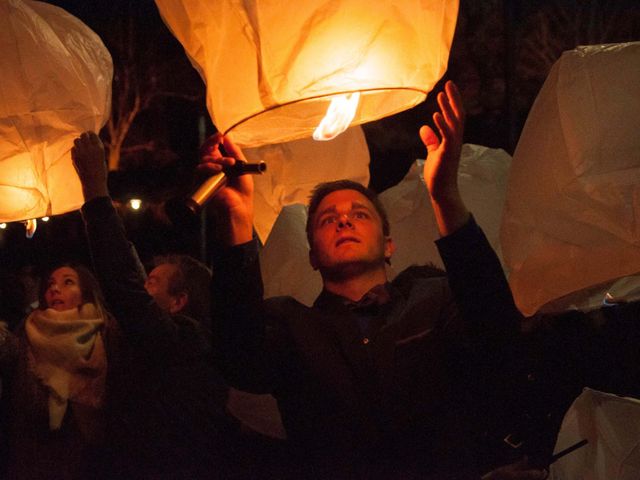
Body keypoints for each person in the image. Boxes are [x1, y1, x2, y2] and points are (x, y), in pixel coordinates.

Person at [205, 81, 547, 479]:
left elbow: (497, 332)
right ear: (312, 255)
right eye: (328, 219)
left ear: (389, 245)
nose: (344, 219)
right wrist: (236, 216)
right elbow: (238, 357)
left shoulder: (434, 300)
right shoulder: (290, 326)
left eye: (360, 214)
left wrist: (445, 195)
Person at [71, 132, 243, 479]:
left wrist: (95, 190)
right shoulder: (174, 349)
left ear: (179, 301)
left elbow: (124, 285)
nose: (142, 286)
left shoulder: (177, 345)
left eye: (152, 282)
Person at [0, 263, 117, 479]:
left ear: (85, 293)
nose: (54, 288)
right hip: (31, 458)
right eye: (51, 284)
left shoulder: (107, 334)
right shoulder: (28, 331)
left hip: (88, 461)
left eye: (68, 282)